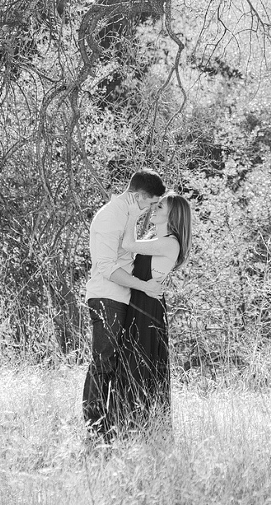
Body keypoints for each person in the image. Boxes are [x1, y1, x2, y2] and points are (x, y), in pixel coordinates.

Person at [81, 169, 165, 442]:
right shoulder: (110, 216)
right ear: (140, 196)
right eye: (152, 203)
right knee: (102, 363)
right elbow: (106, 267)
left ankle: (110, 430)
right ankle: (93, 431)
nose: (153, 208)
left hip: (121, 299)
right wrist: (143, 286)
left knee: (116, 366)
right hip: (107, 298)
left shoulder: (129, 213)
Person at [107, 193, 192, 431]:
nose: (154, 208)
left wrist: (133, 215)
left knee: (139, 365)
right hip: (141, 303)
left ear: (172, 214)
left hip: (147, 308)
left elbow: (128, 245)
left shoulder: (170, 242)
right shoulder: (157, 238)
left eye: (159, 206)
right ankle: (124, 426)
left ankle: (139, 428)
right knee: (131, 362)